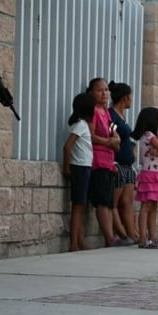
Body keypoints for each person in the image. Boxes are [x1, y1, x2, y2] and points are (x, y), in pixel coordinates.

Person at [86, 78, 121, 247]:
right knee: (101, 200)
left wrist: (115, 139)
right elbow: (90, 135)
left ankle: (111, 235)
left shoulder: (106, 112)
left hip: (109, 160)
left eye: (106, 90)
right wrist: (108, 142)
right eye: (100, 90)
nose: (104, 93)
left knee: (108, 200)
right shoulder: (92, 111)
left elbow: (111, 131)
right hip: (97, 160)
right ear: (92, 92)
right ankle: (109, 237)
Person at [62, 92, 95, 252]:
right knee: (78, 207)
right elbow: (68, 146)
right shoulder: (81, 125)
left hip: (84, 167)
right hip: (80, 167)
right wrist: (67, 167)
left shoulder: (81, 124)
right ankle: (74, 244)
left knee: (81, 207)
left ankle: (80, 241)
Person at [132, 107, 158, 249]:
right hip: (149, 174)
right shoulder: (149, 136)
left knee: (153, 206)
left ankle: (153, 237)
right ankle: (143, 238)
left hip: (155, 174)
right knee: (146, 205)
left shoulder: (152, 137)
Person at [109, 81, 138, 245]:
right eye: (130, 97)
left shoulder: (121, 116)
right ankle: (121, 233)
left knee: (127, 202)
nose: (131, 100)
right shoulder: (112, 115)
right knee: (115, 202)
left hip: (128, 164)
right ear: (125, 98)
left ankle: (132, 233)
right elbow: (111, 134)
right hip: (117, 163)